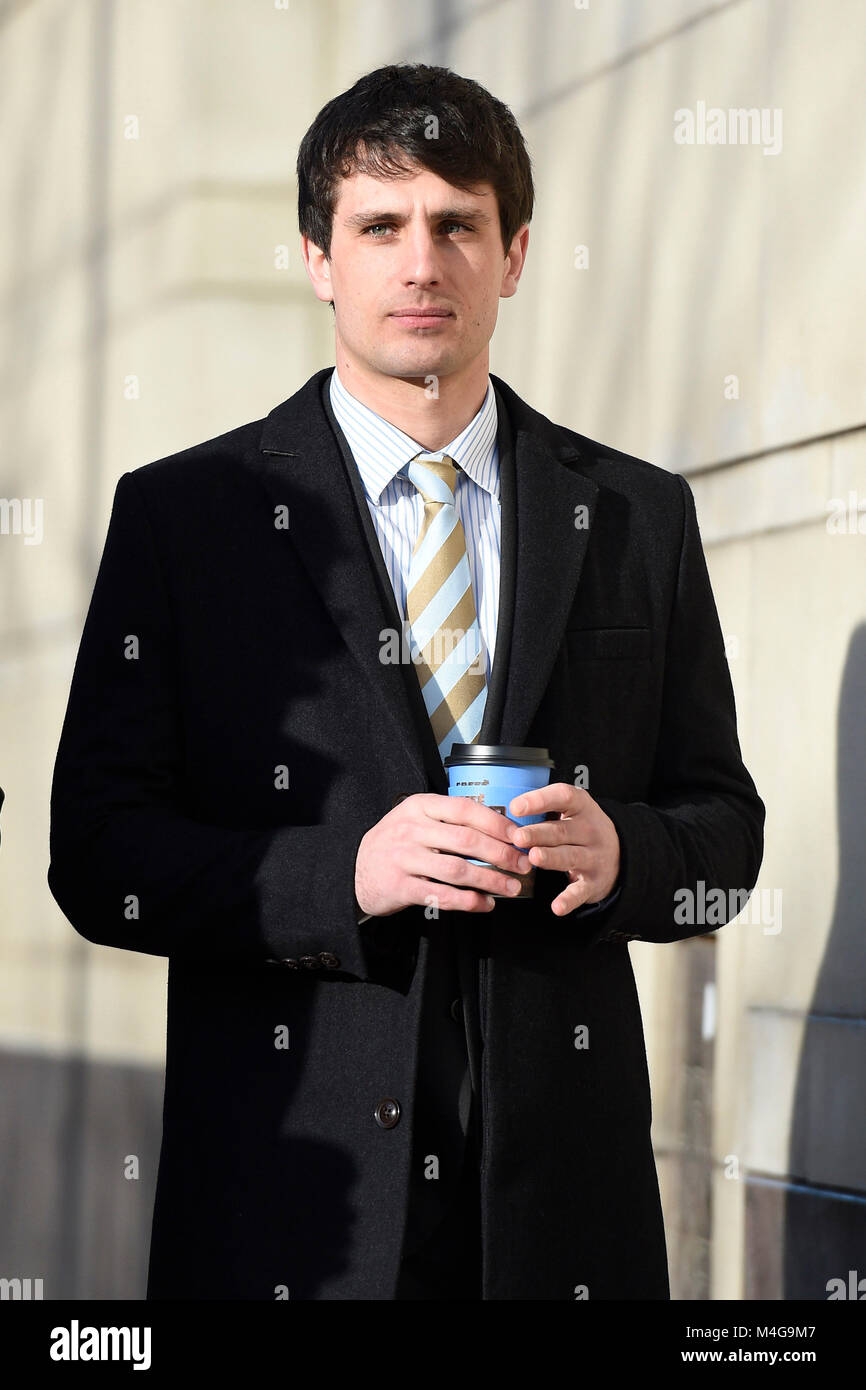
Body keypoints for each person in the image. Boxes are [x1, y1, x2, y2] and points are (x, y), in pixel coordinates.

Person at [47, 62, 764, 1300]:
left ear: (515, 251)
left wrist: (625, 854)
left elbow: (726, 831)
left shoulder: (639, 516)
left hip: (559, 1222)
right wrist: (344, 877)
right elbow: (99, 858)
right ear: (320, 258)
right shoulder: (186, 518)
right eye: (379, 226)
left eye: (455, 224)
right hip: (292, 1213)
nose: (420, 262)